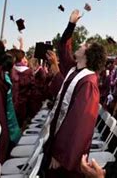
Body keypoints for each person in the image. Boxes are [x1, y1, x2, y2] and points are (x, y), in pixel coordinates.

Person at [42, 10, 107, 177]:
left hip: (65, 153)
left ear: (88, 55)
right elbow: (64, 47)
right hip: (56, 140)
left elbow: (78, 124)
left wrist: (61, 154)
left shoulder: (89, 83)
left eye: (85, 45)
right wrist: (71, 24)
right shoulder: (74, 70)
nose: (81, 45)